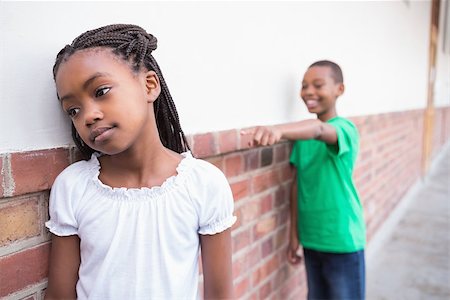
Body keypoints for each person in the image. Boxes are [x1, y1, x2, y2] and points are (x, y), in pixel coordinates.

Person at [45, 24, 236, 300]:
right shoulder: (74, 186)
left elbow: (220, 295)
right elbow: (59, 296)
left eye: (100, 92)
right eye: (73, 110)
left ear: (149, 85)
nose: (88, 116)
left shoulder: (203, 184)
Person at [244, 60, 366, 299]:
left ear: (339, 89)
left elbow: (319, 130)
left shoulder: (344, 129)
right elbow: (296, 186)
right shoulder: (302, 138)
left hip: (341, 239)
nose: (309, 92)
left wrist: (278, 130)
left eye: (318, 85)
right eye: (304, 86)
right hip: (311, 239)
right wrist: (294, 236)